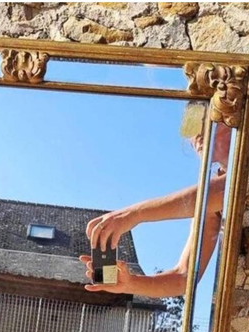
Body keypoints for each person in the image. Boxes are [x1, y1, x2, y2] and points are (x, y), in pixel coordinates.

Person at [79, 105, 232, 299]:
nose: (197, 136)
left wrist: (134, 214)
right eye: (192, 128)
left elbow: (225, 190)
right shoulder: (208, 203)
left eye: (206, 122)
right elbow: (183, 278)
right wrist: (131, 283)